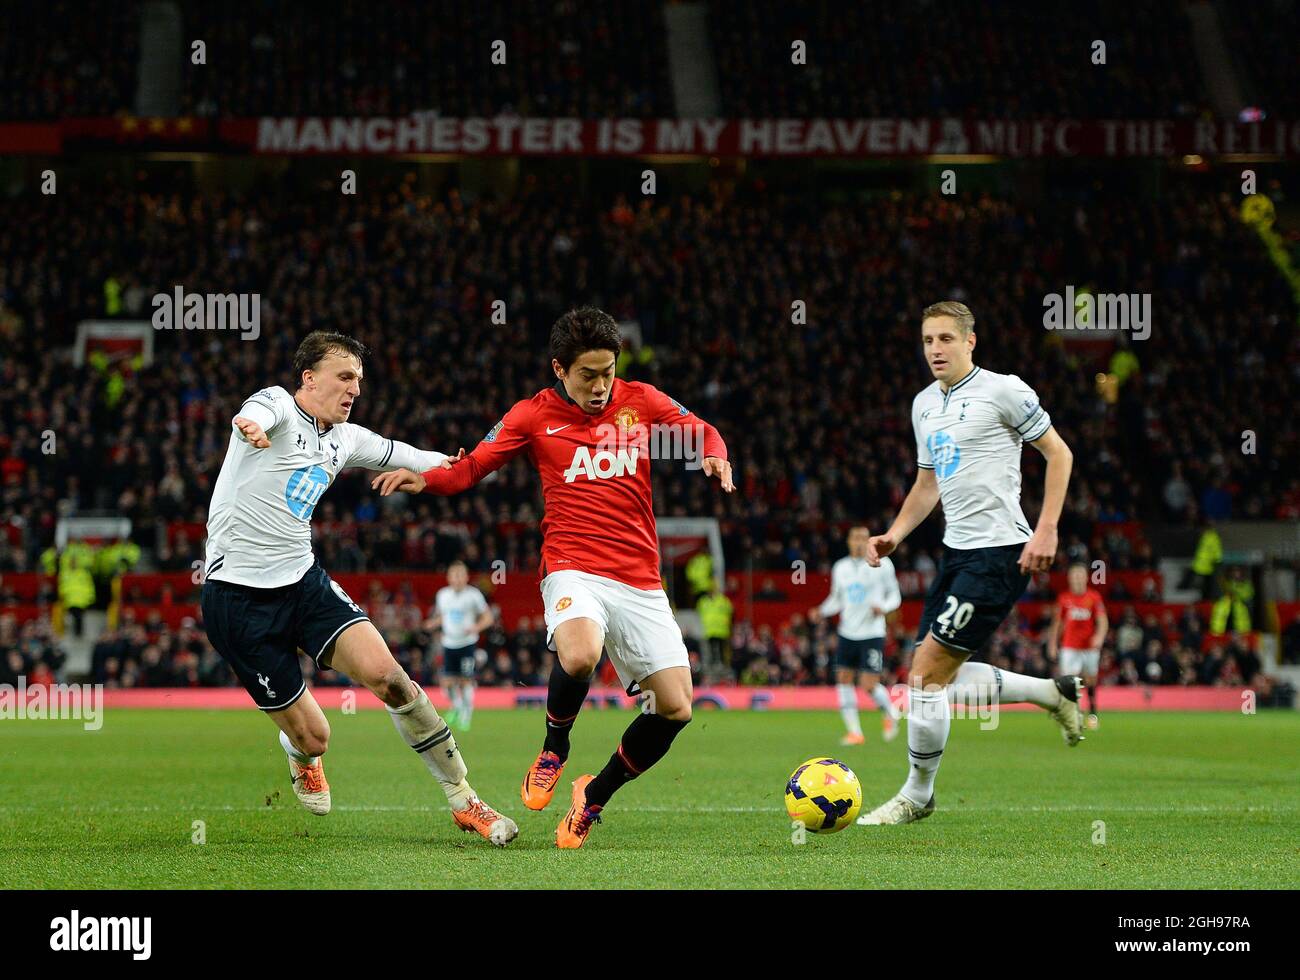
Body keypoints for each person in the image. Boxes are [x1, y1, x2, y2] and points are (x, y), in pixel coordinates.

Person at [373, 307, 733, 848]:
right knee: (581, 653)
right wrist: (422, 480)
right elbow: (473, 465)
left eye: (608, 371)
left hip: (639, 577)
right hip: (572, 567)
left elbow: (701, 429)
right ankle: (555, 746)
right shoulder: (531, 416)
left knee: (676, 707)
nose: (600, 385)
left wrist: (714, 455)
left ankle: (592, 797)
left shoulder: (641, 400)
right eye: (587, 374)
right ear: (559, 369)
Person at [200, 331, 516, 846]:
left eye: (359, 381)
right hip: (236, 599)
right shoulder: (276, 404)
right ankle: (301, 755)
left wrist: (463, 464)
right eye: (345, 377)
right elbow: (258, 412)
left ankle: (464, 799)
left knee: (391, 678)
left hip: (303, 583)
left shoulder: (345, 438)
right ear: (310, 379)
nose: (354, 390)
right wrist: (252, 427)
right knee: (317, 736)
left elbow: (409, 454)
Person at [857, 301, 1083, 827]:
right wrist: (895, 533)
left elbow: (1060, 454)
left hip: (1002, 550)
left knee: (926, 675)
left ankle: (917, 795)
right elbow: (927, 483)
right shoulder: (923, 406)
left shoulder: (1004, 390)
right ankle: (1052, 692)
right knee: (938, 678)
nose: (935, 350)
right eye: (927, 341)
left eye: (945, 339)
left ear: (969, 342)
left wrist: (1046, 528)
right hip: (955, 554)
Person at [809, 526, 902, 746]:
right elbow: (837, 599)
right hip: (847, 632)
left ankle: (890, 713)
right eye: (855, 538)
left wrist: (884, 607)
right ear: (849, 541)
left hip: (872, 632)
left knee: (868, 684)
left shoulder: (883, 564)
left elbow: (895, 595)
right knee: (843, 679)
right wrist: (821, 611)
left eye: (863, 538)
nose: (859, 542)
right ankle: (855, 733)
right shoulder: (840, 567)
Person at [427, 560, 492, 730]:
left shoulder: (473, 595)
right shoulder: (442, 595)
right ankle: (456, 706)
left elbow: (488, 617)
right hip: (449, 643)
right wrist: (433, 623)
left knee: (465, 681)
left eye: (460, 575)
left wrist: (476, 627)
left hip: (466, 644)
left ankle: (466, 715)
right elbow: (444, 616)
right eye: (453, 575)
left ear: (466, 577)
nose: (457, 579)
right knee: (447, 683)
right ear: (448, 577)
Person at [1046, 561, 1108, 728]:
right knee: (1069, 680)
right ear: (1069, 578)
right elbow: (1057, 623)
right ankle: (1069, 714)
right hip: (1070, 646)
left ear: (1086, 577)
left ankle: (1093, 714)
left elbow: (1103, 621)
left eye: (1080, 575)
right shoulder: (1064, 598)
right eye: (1075, 576)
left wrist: (1099, 637)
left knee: (1090, 680)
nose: (1078, 579)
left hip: (1089, 647)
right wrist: (1053, 643)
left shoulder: (1094, 597)